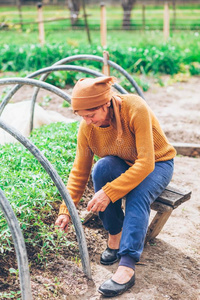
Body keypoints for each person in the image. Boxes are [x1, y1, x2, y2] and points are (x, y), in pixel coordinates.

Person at [55, 76, 176, 297]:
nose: (88, 121)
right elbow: (79, 171)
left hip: (157, 163)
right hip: (125, 161)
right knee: (101, 168)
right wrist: (67, 209)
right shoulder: (88, 128)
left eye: (91, 115)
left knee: (138, 193)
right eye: (83, 116)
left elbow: (146, 163)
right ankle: (115, 235)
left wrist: (110, 192)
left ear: (106, 104)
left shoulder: (134, 108)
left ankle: (127, 265)